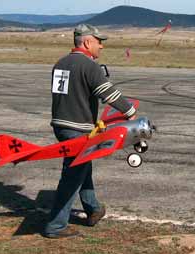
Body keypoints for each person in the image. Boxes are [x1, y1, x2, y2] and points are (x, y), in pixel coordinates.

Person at [44, 24, 136, 239]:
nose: (101, 46)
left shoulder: (60, 63)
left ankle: (93, 209)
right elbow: (108, 94)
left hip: (60, 126)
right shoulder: (89, 66)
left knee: (82, 167)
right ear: (87, 42)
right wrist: (130, 112)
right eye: (98, 41)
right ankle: (55, 227)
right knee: (72, 177)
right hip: (77, 129)